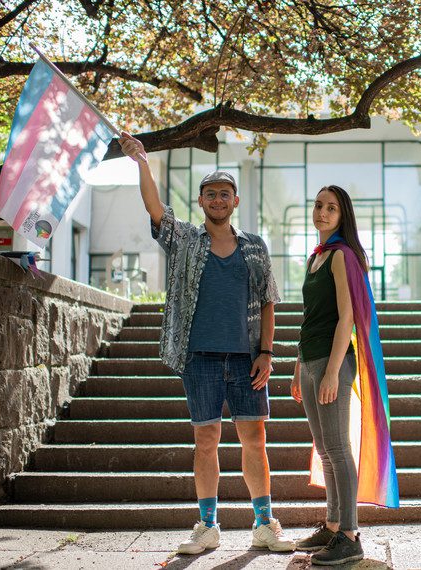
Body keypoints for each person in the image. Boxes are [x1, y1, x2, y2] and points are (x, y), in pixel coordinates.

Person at [118, 132, 295, 555]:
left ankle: (264, 523)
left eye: (225, 194)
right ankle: (208, 526)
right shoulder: (186, 241)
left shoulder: (254, 246)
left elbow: (269, 301)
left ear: (235, 202)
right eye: (210, 194)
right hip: (200, 359)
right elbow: (154, 209)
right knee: (206, 440)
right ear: (201, 202)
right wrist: (142, 162)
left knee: (254, 441)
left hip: (246, 359)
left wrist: (267, 353)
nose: (218, 199)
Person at [291, 185, 399, 566]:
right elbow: (309, 319)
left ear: (342, 216)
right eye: (318, 205)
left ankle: (350, 536)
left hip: (332, 363)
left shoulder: (341, 256)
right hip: (310, 361)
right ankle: (333, 524)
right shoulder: (315, 258)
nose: (322, 212)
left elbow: (347, 318)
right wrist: (297, 368)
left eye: (331, 208)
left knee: (338, 449)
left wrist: (333, 371)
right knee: (325, 450)